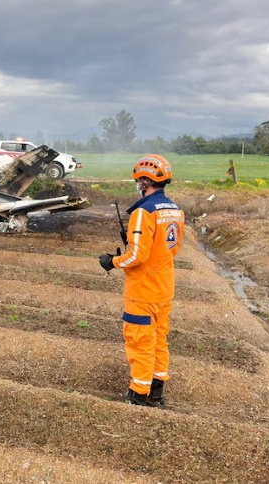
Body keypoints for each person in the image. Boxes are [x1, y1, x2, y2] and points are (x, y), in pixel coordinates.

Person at [98, 154, 185, 407]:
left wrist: (112, 262)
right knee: (159, 338)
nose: (138, 184)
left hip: (143, 291)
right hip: (164, 288)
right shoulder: (175, 211)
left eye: (139, 180)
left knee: (139, 341)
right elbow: (171, 249)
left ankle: (138, 395)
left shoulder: (143, 212)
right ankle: (156, 391)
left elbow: (137, 255)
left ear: (146, 181)